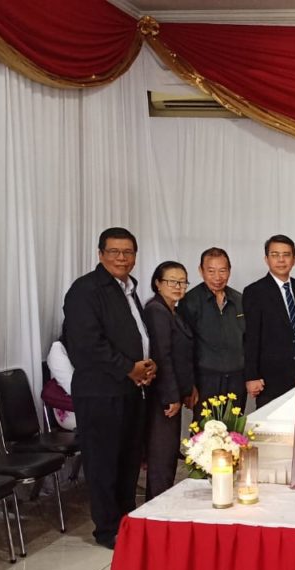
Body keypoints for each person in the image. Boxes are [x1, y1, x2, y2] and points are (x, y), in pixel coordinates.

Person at [63, 227, 154, 549]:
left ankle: (125, 520)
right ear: (100, 254)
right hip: (100, 392)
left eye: (127, 252)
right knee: (103, 462)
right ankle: (107, 529)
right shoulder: (85, 290)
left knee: (128, 459)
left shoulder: (128, 288)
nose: (121, 258)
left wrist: (146, 365)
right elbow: (87, 344)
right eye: (114, 251)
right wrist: (129, 367)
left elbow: (136, 335)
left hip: (130, 389)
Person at [143, 261, 196, 500]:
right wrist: (171, 396)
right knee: (161, 458)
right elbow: (161, 356)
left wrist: (188, 387)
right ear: (157, 283)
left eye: (183, 282)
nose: (178, 286)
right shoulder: (156, 310)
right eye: (172, 281)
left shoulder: (173, 310)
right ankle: (156, 509)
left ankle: (162, 505)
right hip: (162, 398)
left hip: (173, 393)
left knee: (168, 455)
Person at [242, 235, 295, 407]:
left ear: (294, 260)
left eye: (286, 255)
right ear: (266, 259)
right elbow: (251, 337)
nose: (281, 260)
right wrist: (251, 376)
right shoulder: (255, 292)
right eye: (275, 255)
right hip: (270, 379)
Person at [178, 247, 246, 405]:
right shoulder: (189, 301)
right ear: (201, 271)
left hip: (237, 380)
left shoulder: (239, 300)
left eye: (222, 271)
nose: (217, 277)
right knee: (206, 421)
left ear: (229, 271)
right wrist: (189, 385)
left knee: (235, 421)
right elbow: (184, 347)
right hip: (205, 381)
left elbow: (248, 340)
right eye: (211, 271)